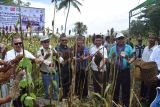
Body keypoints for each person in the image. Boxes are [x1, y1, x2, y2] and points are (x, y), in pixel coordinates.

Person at [4, 35, 36, 107]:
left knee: (26, 99)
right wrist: (16, 60)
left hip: (26, 80)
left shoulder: (26, 52)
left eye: (20, 43)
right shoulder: (9, 53)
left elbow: (35, 60)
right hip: (15, 81)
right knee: (16, 100)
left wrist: (29, 60)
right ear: (12, 44)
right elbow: (6, 66)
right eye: (16, 43)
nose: (19, 45)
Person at [109, 33, 133, 107]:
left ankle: (126, 103)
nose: (121, 40)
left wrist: (129, 60)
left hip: (125, 70)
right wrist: (112, 61)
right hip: (116, 71)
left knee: (126, 87)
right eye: (119, 38)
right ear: (116, 40)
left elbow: (133, 56)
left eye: (122, 38)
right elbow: (110, 58)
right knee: (115, 87)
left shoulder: (128, 47)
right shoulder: (113, 48)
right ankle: (115, 102)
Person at [37, 35, 59, 100]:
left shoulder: (51, 48)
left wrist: (60, 59)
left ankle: (55, 101)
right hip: (45, 73)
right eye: (45, 42)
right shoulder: (40, 51)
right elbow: (41, 60)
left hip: (54, 72)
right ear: (41, 43)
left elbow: (57, 55)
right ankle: (48, 102)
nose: (46, 43)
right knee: (48, 89)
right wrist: (49, 63)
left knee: (56, 88)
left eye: (48, 41)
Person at [141, 34, 157, 106]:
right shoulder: (145, 48)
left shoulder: (156, 49)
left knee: (151, 88)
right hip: (144, 71)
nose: (150, 39)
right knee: (143, 86)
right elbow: (143, 59)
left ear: (155, 40)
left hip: (152, 72)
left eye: (152, 38)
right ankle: (143, 100)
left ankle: (149, 102)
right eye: (149, 38)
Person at [55, 33, 72, 99]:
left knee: (67, 83)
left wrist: (70, 59)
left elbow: (71, 56)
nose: (64, 41)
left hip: (68, 69)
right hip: (60, 70)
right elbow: (58, 60)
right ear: (60, 40)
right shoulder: (57, 48)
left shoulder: (68, 48)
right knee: (60, 84)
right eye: (63, 40)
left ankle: (66, 96)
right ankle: (60, 98)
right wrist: (66, 60)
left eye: (65, 40)